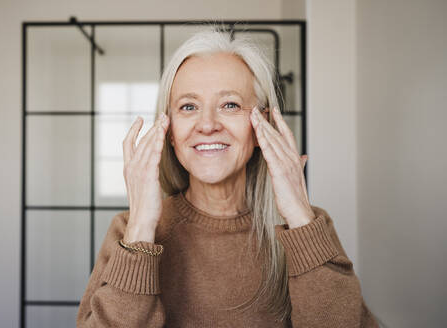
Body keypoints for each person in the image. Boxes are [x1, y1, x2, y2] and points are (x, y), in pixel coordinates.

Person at [76, 25, 379, 327]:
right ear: (169, 131)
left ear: (262, 126)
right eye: (189, 106)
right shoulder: (128, 231)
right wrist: (141, 231)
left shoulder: (307, 227)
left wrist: (300, 218)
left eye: (230, 104)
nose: (207, 125)